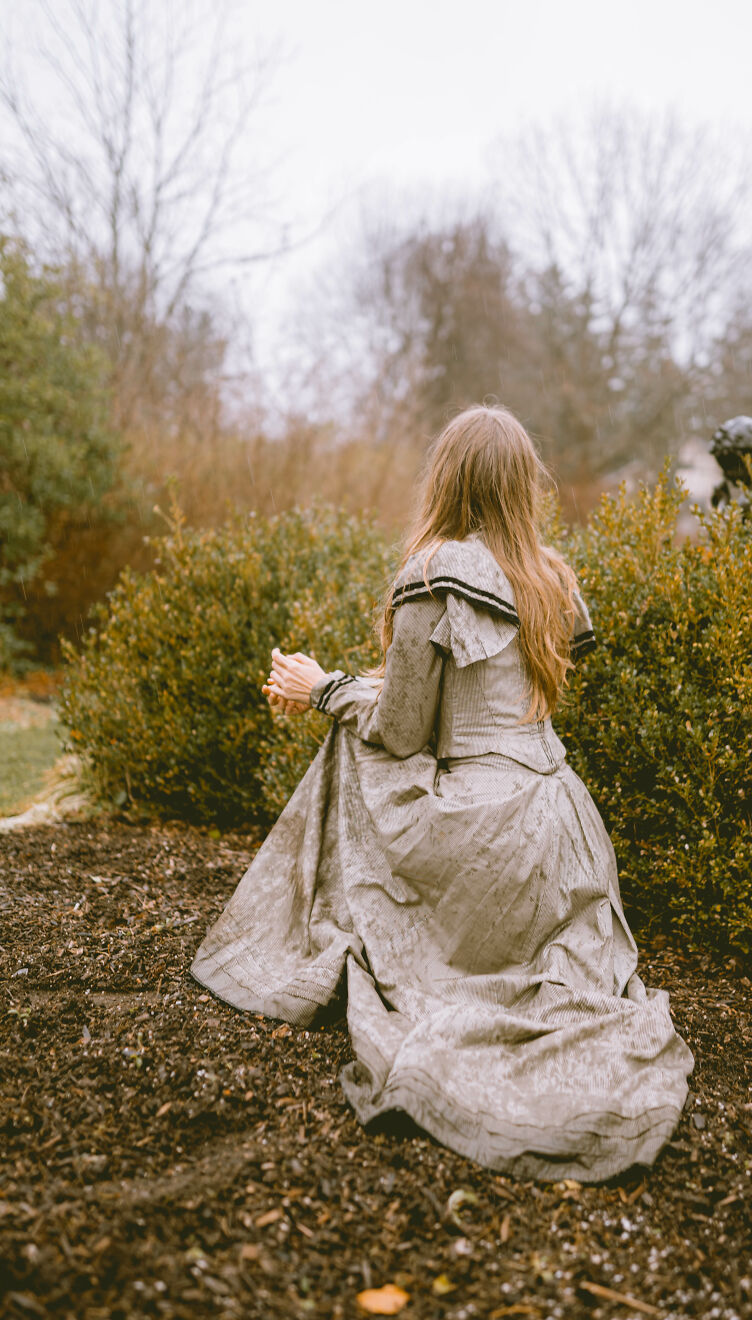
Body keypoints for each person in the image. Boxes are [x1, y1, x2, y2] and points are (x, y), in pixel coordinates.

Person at [191, 404, 694, 1182]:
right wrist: (336, 686)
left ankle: (320, 926)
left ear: (447, 479)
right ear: (523, 486)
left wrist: (323, 691)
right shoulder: (550, 576)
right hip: (563, 833)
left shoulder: (436, 575)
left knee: (353, 748)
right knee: (354, 725)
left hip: (485, 838)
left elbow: (399, 733)